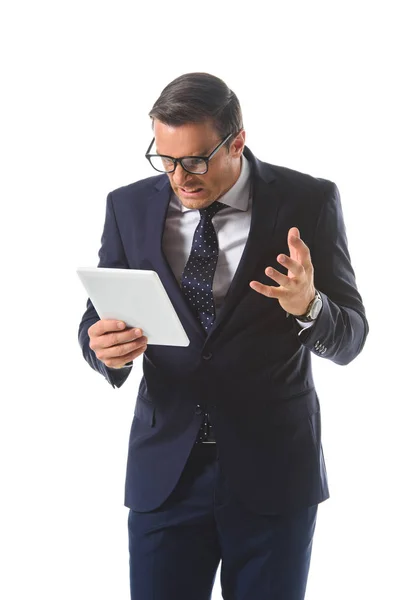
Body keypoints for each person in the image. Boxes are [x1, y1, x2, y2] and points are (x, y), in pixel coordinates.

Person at [78, 72, 368, 600]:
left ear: (236, 140)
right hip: (165, 474)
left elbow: (351, 338)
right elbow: (97, 317)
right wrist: (105, 351)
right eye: (165, 161)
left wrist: (309, 306)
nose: (179, 178)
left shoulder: (308, 201)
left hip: (274, 474)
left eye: (194, 161)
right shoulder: (129, 206)